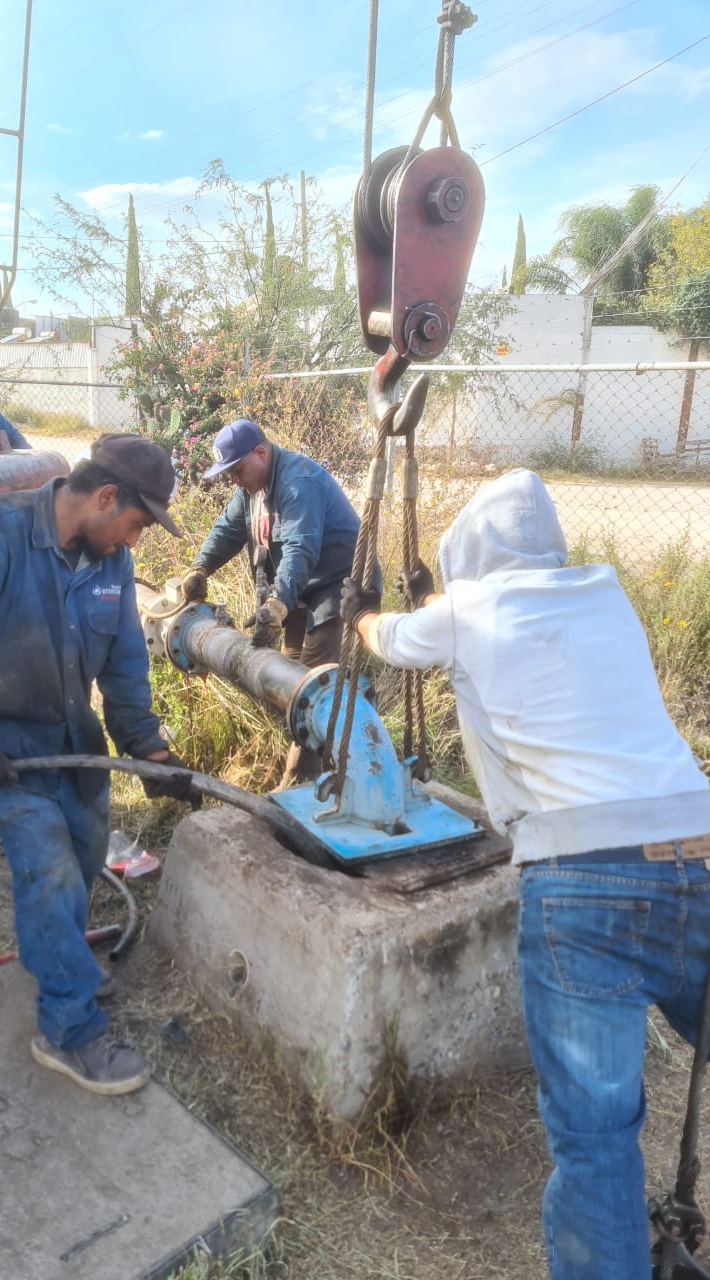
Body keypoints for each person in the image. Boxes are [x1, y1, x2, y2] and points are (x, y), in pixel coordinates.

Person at [340, 468, 710, 1280]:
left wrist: (367, 611)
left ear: (470, 559)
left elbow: (393, 641)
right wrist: (444, 604)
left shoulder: (467, 613)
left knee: (598, 1140)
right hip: (699, 846)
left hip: (584, 877)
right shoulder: (605, 594)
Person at [0, 433, 195, 1096]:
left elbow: (123, 666)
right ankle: (68, 1030)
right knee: (53, 870)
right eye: (136, 523)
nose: (135, 541)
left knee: (86, 851)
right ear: (105, 497)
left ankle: (64, 963)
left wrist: (150, 752)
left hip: (73, 742)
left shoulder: (107, 561)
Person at [183, 417, 370, 784]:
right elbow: (228, 529)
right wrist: (200, 568)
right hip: (300, 588)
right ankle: (306, 760)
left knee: (311, 689)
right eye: (228, 473)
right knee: (284, 676)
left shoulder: (297, 482)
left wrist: (278, 603)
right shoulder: (251, 489)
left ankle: (300, 781)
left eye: (237, 470)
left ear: (260, 452)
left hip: (338, 588)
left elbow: (301, 548)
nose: (233, 479)